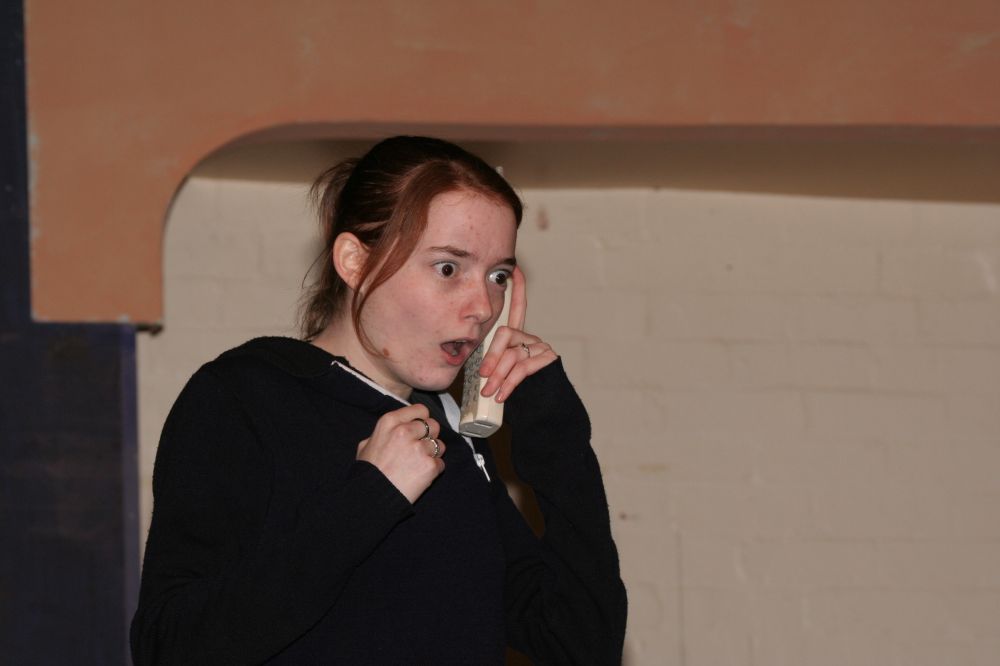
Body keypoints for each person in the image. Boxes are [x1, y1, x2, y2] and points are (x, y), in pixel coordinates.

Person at [130, 136, 627, 664]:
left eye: (498, 275)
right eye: (448, 268)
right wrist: (370, 496)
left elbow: (579, 642)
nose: (483, 306)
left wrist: (553, 430)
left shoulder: (449, 429)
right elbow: (170, 648)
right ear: (354, 261)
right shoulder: (245, 397)